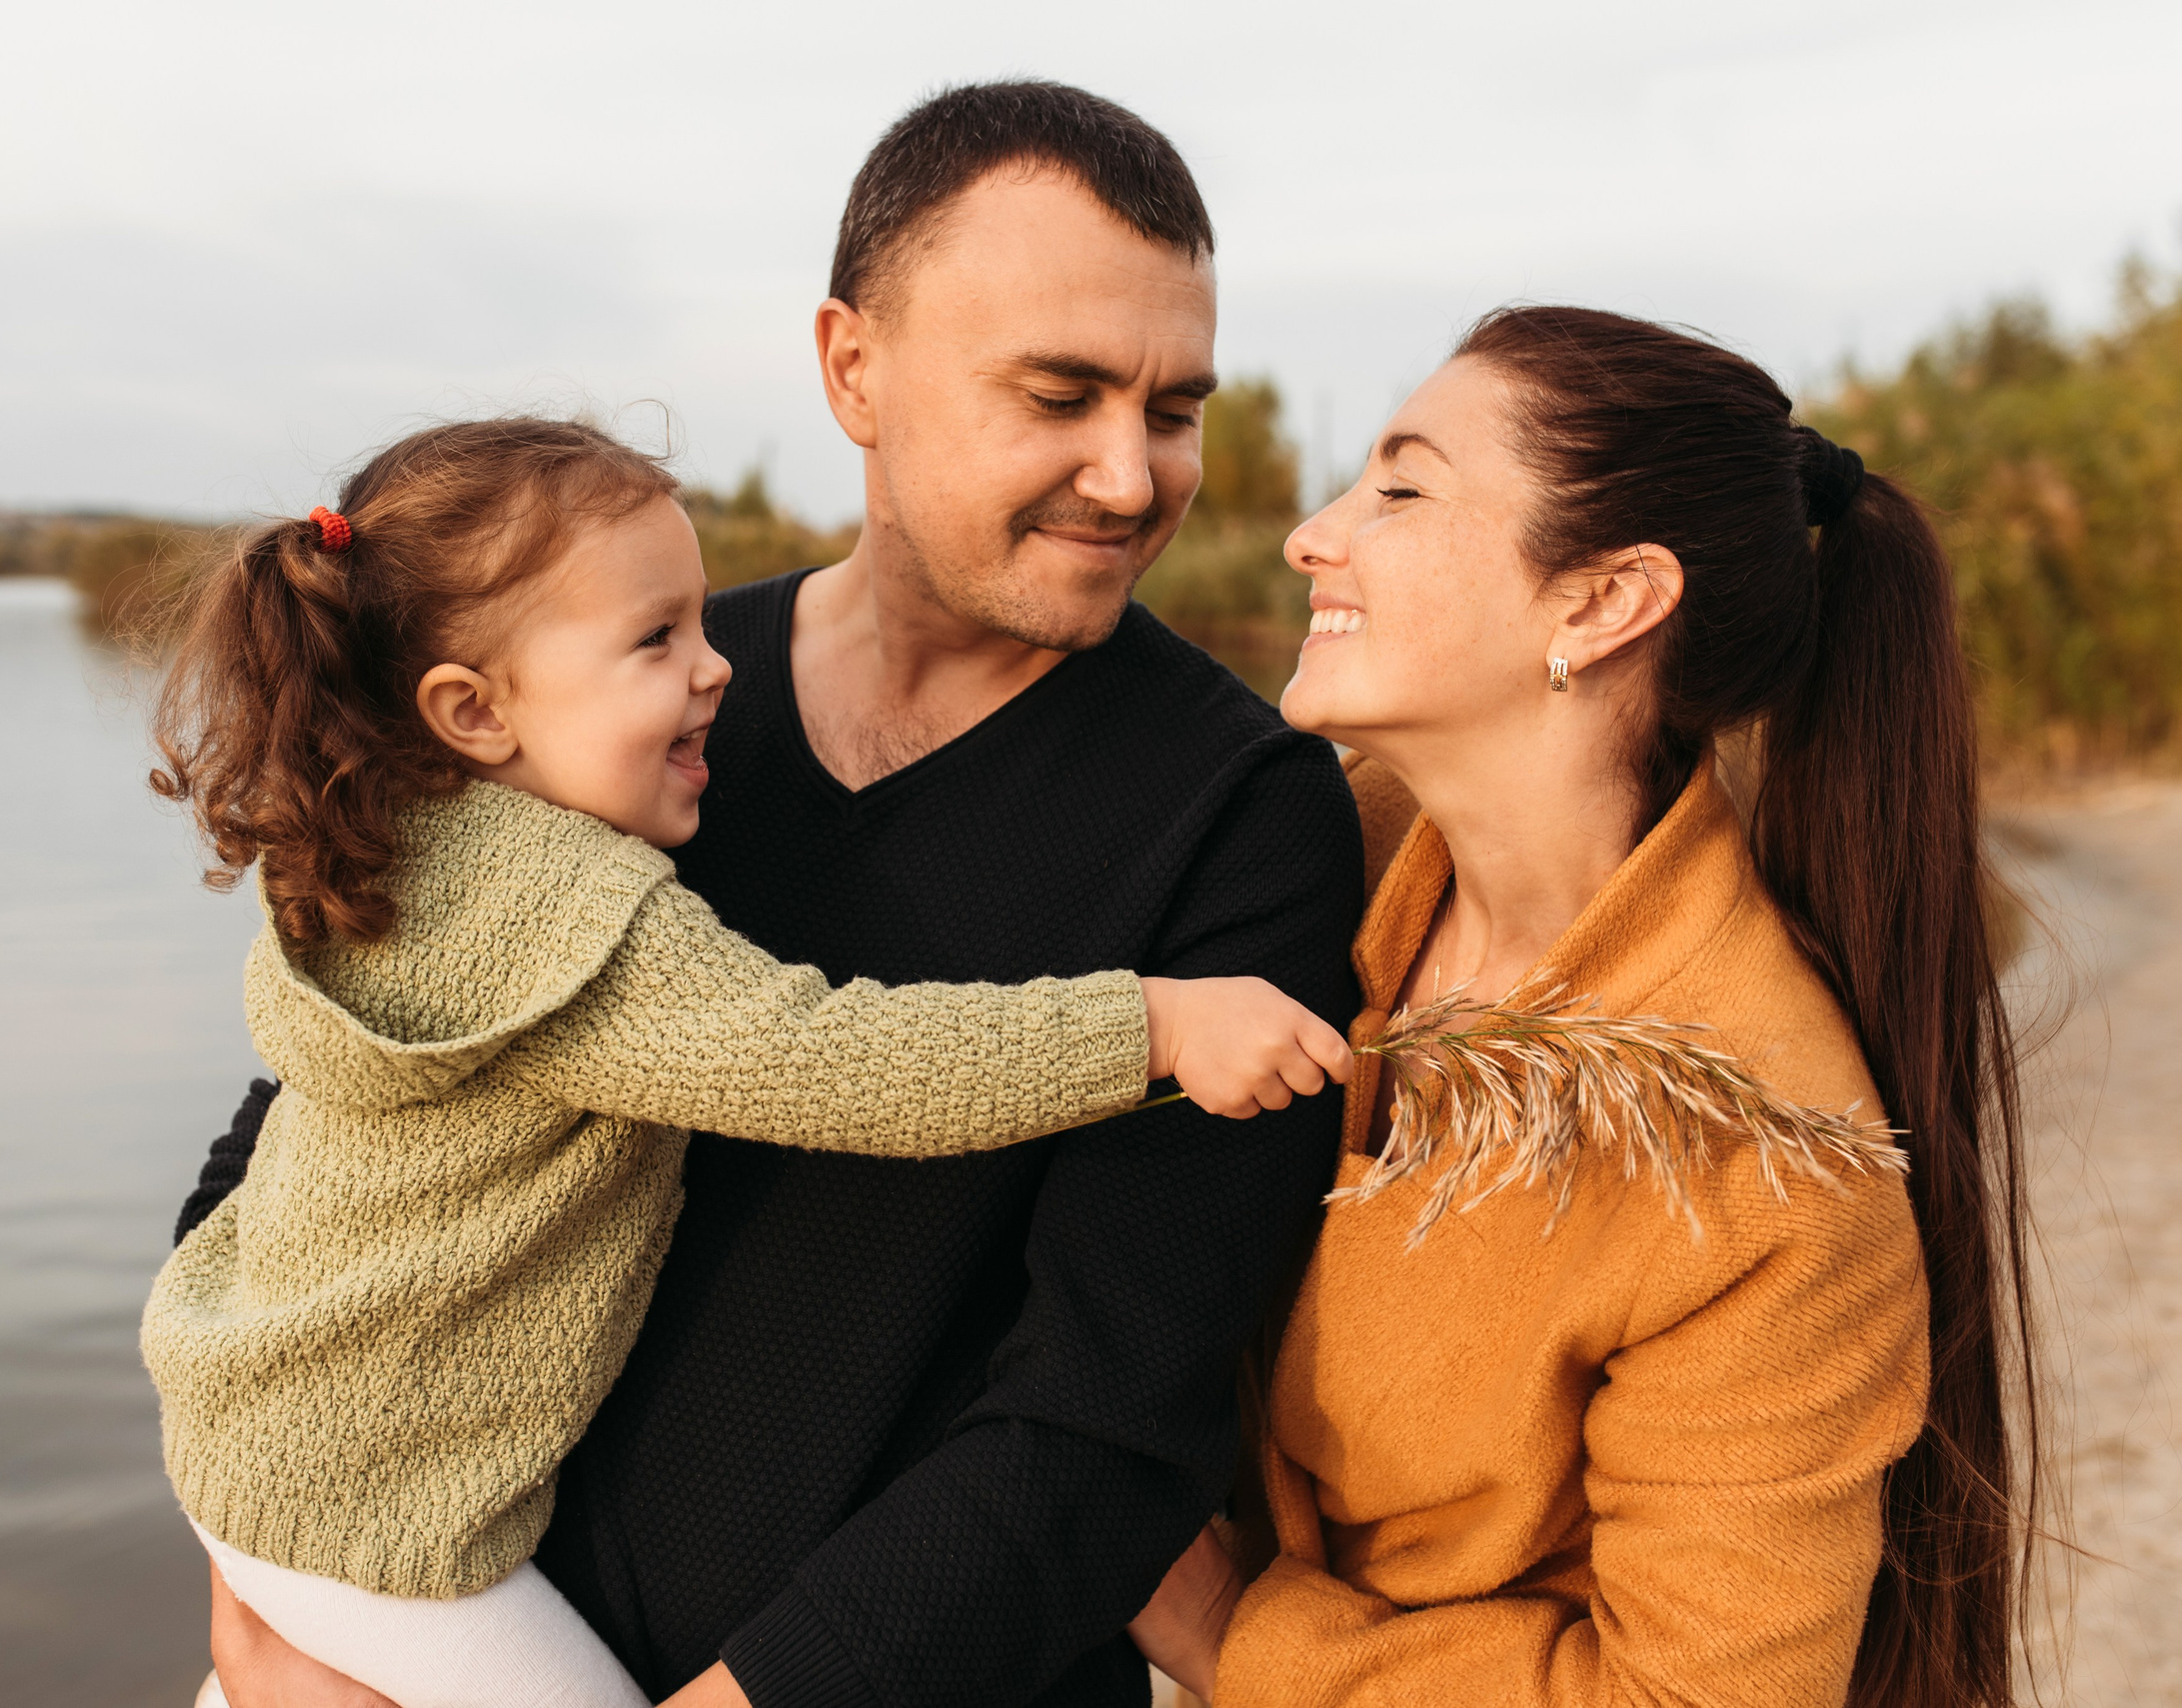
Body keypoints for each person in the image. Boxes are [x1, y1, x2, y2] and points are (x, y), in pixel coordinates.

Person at [176, 81, 1366, 1708]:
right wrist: (274, 1602)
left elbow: (1111, 1422)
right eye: (1061, 391)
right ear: (851, 367)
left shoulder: (1244, 810)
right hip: (409, 1624)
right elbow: (309, 1131)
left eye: (1172, 407)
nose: (1130, 472)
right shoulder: (617, 708)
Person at [1126, 307, 2037, 1707]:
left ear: (1603, 601)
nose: (1315, 533)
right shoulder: (1330, 857)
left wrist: (1235, 1634)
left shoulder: (1768, 1163)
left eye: (1401, 488)